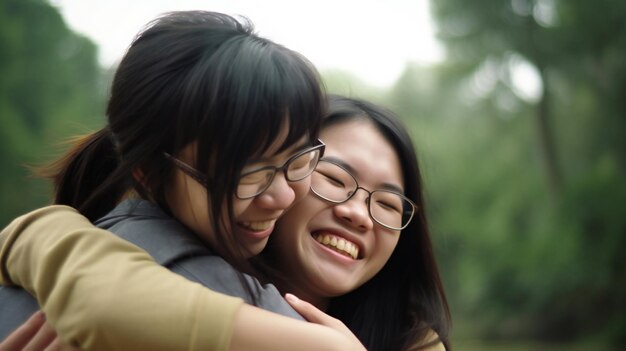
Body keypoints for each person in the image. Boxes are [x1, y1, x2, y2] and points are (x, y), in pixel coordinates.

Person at [0, 10, 369, 351]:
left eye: (298, 159)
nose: (283, 195)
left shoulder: (63, 248)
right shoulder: (259, 317)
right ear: (147, 168)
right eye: (248, 174)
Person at [1, 95, 451, 350]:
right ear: (280, 175)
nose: (358, 213)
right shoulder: (164, 269)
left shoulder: (412, 341)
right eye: (334, 179)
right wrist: (43, 231)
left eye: (389, 206)